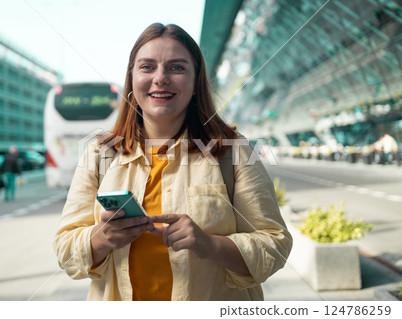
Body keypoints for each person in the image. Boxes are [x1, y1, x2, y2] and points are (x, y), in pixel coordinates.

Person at [54, 23, 292, 301]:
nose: (161, 78)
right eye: (147, 67)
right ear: (131, 79)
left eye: (177, 68)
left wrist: (210, 245)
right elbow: (65, 250)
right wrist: (102, 238)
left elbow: (274, 246)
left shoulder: (233, 152)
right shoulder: (99, 154)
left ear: (195, 83)